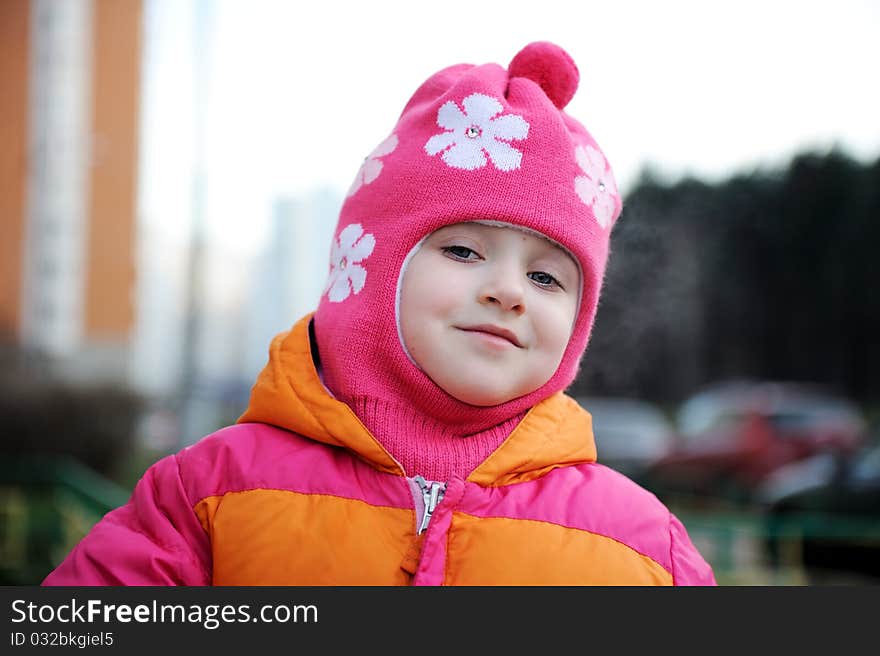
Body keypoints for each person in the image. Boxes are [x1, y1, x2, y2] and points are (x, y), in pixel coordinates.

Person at [43, 41, 716, 585]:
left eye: (546, 276)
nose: (509, 291)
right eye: (462, 249)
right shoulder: (210, 496)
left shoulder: (640, 547)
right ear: (370, 268)